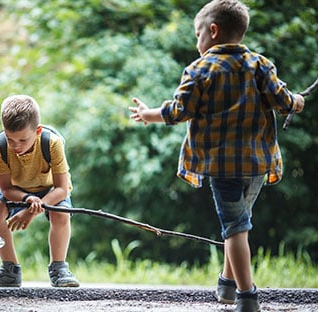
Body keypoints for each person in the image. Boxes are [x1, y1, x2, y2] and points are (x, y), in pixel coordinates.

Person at [129, 1, 305, 311]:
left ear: (213, 31)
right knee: (237, 225)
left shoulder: (199, 70)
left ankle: (247, 295)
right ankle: (227, 287)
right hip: (257, 165)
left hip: (222, 167)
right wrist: (297, 102)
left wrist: (148, 114)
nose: (197, 43)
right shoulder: (261, 64)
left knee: (236, 228)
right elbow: (282, 100)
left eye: (198, 35)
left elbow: (179, 111)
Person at [0, 94, 79, 288]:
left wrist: (31, 211)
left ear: (38, 131)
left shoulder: (52, 143)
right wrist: (27, 199)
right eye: (10, 139)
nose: (16, 146)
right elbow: (6, 189)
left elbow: (62, 188)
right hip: (18, 191)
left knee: (61, 214)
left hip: (51, 190)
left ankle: (59, 268)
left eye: (23, 140)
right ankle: (9, 270)